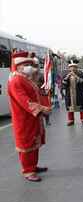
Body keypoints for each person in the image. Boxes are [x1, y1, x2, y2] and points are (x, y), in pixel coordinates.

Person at [8, 51, 50, 182]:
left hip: (32, 118)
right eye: (26, 64)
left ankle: (33, 166)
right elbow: (24, 100)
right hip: (24, 119)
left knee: (34, 143)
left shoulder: (25, 78)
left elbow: (35, 94)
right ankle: (28, 171)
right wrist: (41, 109)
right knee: (26, 145)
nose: (30, 66)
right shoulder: (16, 80)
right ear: (19, 66)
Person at [62, 59, 83, 126]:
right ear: (69, 68)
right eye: (71, 67)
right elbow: (64, 84)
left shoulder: (81, 74)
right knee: (70, 106)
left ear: (77, 67)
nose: (73, 68)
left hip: (79, 93)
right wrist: (67, 77)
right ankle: (71, 120)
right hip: (69, 93)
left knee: (81, 105)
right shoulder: (66, 75)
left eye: (74, 67)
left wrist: (75, 76)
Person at [33, 57, 51, 126]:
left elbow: (45, 82)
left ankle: (47, 120)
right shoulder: (29, 74)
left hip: (41, 92)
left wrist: (45, 88)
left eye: (36, 65)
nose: (35, 67)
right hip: (33, 92)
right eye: (34, 65)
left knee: (44, 106)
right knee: (36, 109)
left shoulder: (41, 74)